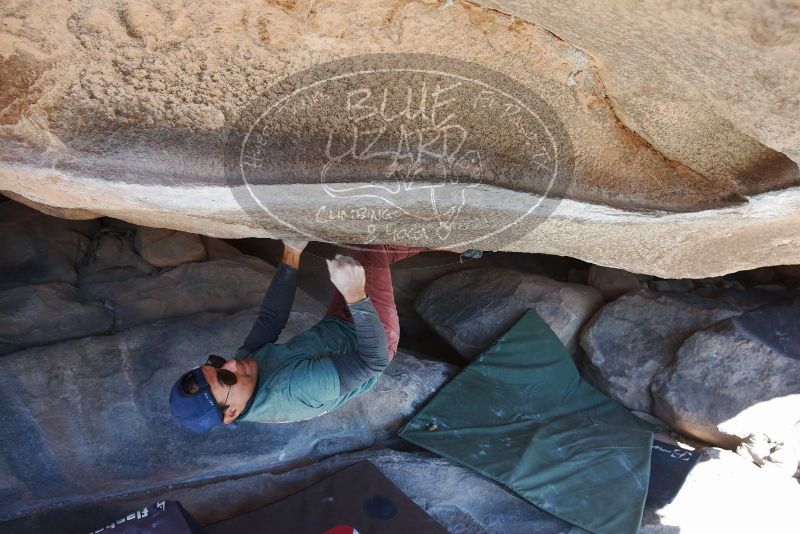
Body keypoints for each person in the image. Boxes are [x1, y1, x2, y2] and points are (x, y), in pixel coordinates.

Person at [169, 239, 428, 432]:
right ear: (232, 413)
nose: (232, 363)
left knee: (357, 248)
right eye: (225, 377)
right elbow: (374, 361)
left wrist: (291, 252)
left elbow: (270, 321)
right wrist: (355, 295)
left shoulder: (242, 377)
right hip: (372, 339)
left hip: (336, 326)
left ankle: (451, 246)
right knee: (369, 246)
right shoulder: (294, 389)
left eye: (216, 363)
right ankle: (464, 235)